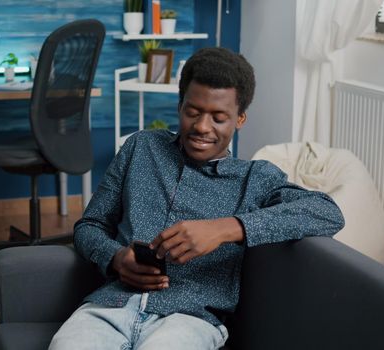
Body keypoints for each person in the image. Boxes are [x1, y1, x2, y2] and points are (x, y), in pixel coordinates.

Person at [49, 47, 345, 350]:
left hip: (189, 319)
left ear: (240, 118)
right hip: (110, 305)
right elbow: (89, 226)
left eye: (219, 117)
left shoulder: (254, 178)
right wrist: (115, 258)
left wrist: (224, 228)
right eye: (193, 112)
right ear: (179, 106)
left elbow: (327, 212)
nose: (202, 127)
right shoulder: (140, 148)